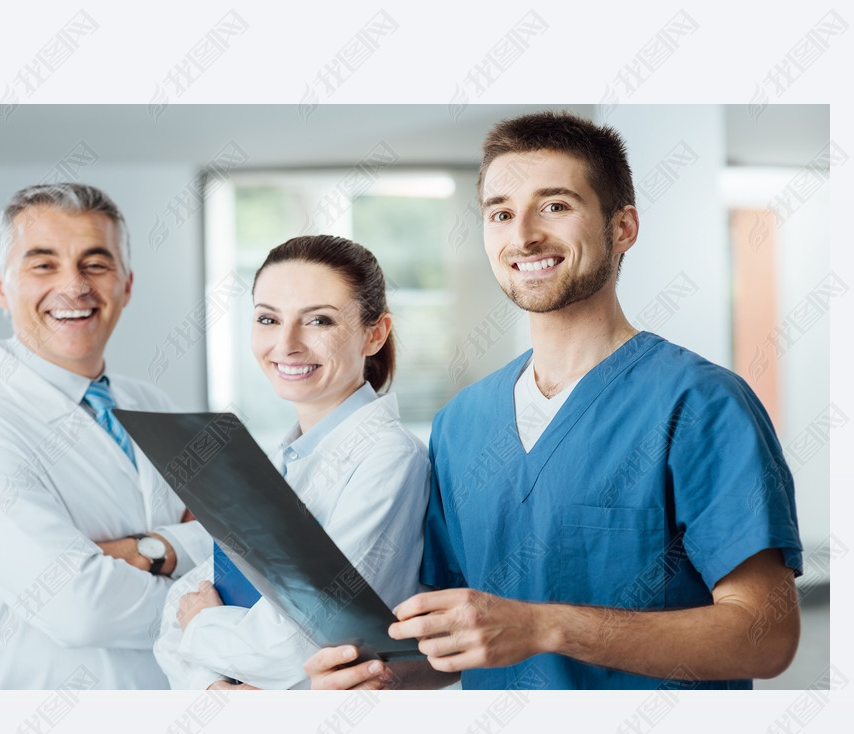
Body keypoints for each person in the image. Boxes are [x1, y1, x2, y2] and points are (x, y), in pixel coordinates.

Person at [305, 111, 803, 692]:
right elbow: (460, 638)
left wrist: (547, 627)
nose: (523, 236)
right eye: (501, 213)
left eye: (556, 206)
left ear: (622, 228)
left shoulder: (701, 404)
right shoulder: (461, 423)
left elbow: (766, 638)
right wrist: (379, 677)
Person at [0, 183, 210, 689]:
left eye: (96, 264)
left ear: (126, 285)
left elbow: (233, 542)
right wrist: (203, 591)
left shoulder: (155, 406)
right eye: (43, 264)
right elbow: (79, 608)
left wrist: (143, 549)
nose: (74, 286)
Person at [149, 235, 429, 690]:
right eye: (267, 319)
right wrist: (215, 689)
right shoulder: (278, 461)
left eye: (318, 320)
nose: (286, 344)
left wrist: (202, 627)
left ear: (374, 334)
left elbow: (297, 646)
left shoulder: (390, 458)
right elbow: (172, 618)